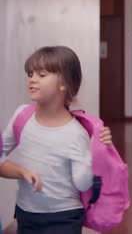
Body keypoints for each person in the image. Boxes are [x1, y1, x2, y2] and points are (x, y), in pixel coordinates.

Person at [1, 46, 113, 234]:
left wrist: (92, 151)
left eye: (42, 75)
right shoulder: (21, 116)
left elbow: (82, 183)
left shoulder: (75, 133)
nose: (32, 79)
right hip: (25, 213)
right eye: (30, 74)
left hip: (64, 217)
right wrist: (20, 172)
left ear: (64, 84)